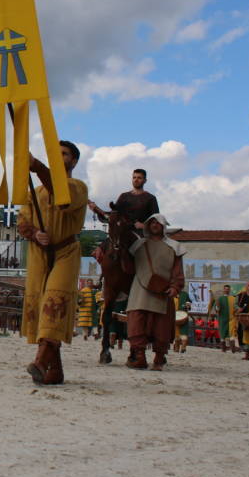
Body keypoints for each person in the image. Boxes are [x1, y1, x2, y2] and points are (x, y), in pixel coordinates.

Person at [19, 140, 88, 385]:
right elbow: (22, 222)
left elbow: (63, 197)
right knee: (39, 306)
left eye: (65, 153)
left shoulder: (78, 187)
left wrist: (37, 166)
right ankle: (55, 370)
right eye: (55, 154)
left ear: (74, 161)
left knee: (54, 302)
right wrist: (35, 233)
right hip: (39, 252)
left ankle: (39, 362)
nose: (60, 157)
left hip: (65, 251)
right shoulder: (35, 194)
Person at [125, 214, 185, 370]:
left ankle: (159, 358)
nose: (154, 225)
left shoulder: (174, 247)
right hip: (139, 289)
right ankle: (139, 357)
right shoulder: (138, 245)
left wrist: (175, 286)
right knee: (137, 322)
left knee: (161, 326)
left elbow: (177, 270)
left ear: (163, 226)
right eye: (151, 222)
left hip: (162, 290)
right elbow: (128, 268)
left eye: (158, 223)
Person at [88, 168, 159, 232]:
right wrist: (96, 209)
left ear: (145, 180)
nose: (136, 180)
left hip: (141, 234)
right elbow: (114, 215)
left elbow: (156, 219)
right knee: (99, 247)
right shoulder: (124, 196)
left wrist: (144, 226)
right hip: (122, 233)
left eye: (139, 178)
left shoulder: (150, 198)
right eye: (134, 177)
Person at [210, 284, 238, 353]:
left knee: (232, 332)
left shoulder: (233, 298)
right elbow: (216, 308)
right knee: (223, 333)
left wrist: (237, 309)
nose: (227, 290)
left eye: (228, 289)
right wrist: (217, 307)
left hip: (231, 318)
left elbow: (236, 307)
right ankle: (223, 348)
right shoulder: (220, 298)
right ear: (224, 290)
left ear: (229, 290)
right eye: (225, 289)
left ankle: (232, 348)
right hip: (222, 318)